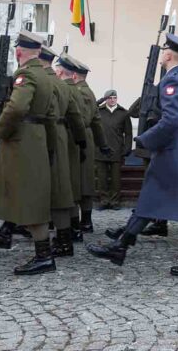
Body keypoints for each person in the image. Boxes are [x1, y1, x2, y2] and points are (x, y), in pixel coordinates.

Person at [86, 33, 178, 276]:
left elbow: (172, 119)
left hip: (172, 146)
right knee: (159, 197)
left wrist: (145, 139)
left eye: (164, 50)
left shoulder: (171, 82)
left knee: (165, 197)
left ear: (167, 54)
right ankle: (122, 246)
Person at [0, 30, 57, 275]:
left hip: (19, 141)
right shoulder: (47, 76)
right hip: (34, 140)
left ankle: (44, 256)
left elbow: (16, 108)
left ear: (18, 52)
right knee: (1, 192)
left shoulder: (25, 74)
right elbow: (51, 115)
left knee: (23, 196)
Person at [38, 47, 87, 258]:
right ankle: (64, 239)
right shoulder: (64, 86)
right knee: (61, 191)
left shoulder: (43, 83)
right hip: (62, 139)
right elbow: (76, 117)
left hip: (44, 138)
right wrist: (81, 141)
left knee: (48, 192)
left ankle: (50, 244)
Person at [72, 60, 111, 234]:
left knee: (76, 183)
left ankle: (77, 224)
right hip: (87, 138)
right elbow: (97, 122)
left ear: (74, 75)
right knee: (84, 182)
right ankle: (85, 222)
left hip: (77, 138)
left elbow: (84, 119)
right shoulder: (90, 92)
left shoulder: (79, 93)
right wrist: (102, 144)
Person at [95, 90, 132, 210]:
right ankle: (104, 200)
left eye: (114, 97)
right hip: (101, 149)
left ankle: (115, 201)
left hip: (117, 149)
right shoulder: (98, 111)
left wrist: (127, 148)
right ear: (105, 99)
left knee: (116, 178)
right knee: (102, 177)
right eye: (110, 97)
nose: (112, 100)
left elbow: (128, 133)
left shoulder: (124, 113)